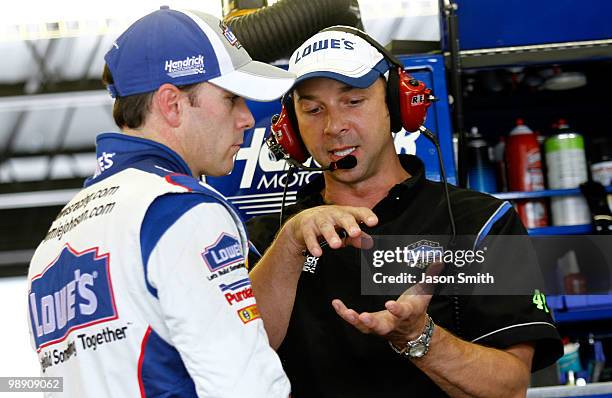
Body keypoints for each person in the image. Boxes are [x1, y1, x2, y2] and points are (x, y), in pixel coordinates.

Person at [26, 8, 377, 397]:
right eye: (231, 100)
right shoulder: (182, 210)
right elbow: (247, 385)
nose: (247, 119)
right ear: (172, 104)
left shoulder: (58, 237)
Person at [247, 26, 563, 397]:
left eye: (353, 101)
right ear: (292, 129)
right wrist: (289, 245)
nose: (333, 127)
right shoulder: (268, 240)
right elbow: (232, 356)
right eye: (313, 109)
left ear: (396, 106)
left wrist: (419, 337)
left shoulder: (481, 223)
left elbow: (509, 388)